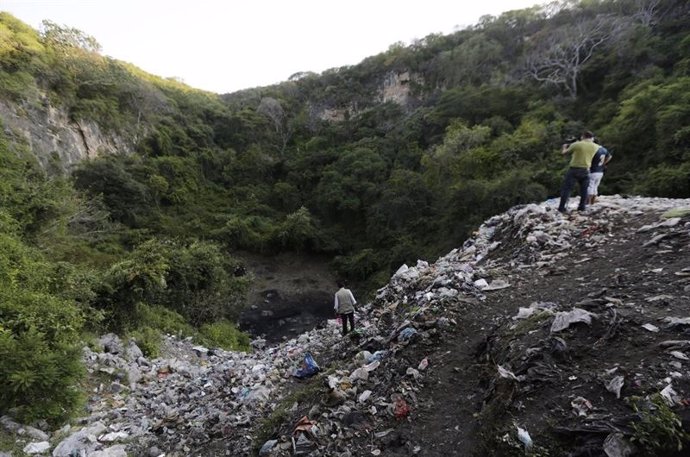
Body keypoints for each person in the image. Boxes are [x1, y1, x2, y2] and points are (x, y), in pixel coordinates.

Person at [558, 131, 600, 213]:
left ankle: (562, 208)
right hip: (586, 170)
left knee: (567, 189)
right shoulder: (596, 146)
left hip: (574, 169)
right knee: (584, 190)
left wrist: (564, 147)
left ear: (583, 136)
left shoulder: (577, 144)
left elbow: (564, 153)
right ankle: (582, 207)